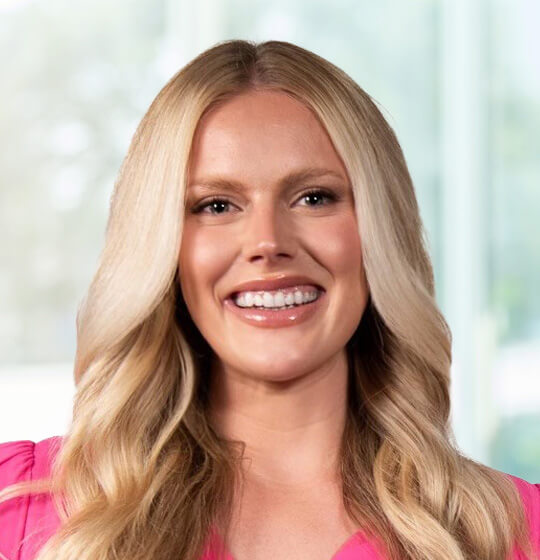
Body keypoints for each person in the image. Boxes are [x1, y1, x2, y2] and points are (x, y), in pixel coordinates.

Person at [0, 39, 538, 560]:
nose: (267, 242)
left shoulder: (513, 532)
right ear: (162, 246)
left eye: (314, 198)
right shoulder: (18, 508)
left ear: (379, 231)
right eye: (216, 205)